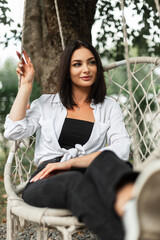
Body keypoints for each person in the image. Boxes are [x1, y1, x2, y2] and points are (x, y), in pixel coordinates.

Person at [4, 40, 160, 240]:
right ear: (67, 70)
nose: (86, 69)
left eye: (91, 62)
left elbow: (121, 149)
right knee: (75, 180)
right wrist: (26, 84)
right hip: (46, 179)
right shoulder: (47, 103)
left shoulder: (108, 107)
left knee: (107, 159)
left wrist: (70, 163)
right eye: (77, 64)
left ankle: (133, 211)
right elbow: (13, 131)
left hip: (90, 173)